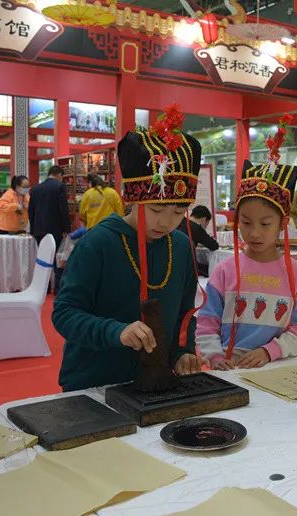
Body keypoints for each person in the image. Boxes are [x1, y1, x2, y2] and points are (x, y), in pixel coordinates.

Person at [52, 105, 202, 391]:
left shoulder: (181, 246)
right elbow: (65, 313)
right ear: (133, 199)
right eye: (157, 209)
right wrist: (116, 331)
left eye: (179, 212)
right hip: (94, 383)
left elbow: (186, 312)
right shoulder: (98, 243)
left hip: (156, 384)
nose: (167, 222)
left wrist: (183, 352)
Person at [196, 129, 297, 370]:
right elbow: (207, 321)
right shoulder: (225, 270)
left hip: (276, 367)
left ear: (282, 223)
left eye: (265, 224)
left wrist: (270, 351)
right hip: (229, 368)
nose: (254, 233)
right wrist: (215, 356)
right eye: (246, 223)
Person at [29, 165, 71, 293]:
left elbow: (31, 211)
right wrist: (66, 229)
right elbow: (63, 209)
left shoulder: (35, 188)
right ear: (59, 174)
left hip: (38, 229)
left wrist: (33, 229)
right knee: (57, 259)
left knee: (42, 258)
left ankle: (43, 287)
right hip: (55, 229)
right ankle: (58, 288)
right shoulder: (59, 186)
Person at [178, 205, 219, 277]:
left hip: (174, 261)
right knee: (213, 269)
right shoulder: (197, 229)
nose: (205, 227)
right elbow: (214, 246)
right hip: (187, 266)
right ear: (204, 219)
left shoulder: (180, 221)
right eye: (206, 224)